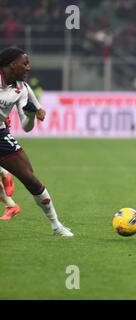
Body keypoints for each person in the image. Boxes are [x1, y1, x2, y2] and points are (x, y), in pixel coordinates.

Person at [0, 47, 73, 236]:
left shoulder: (20, 88)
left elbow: (26, 127)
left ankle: (56, 226)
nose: (28, 67)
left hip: (1, 136)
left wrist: (31, 115)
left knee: (30, 179)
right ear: (12, 65)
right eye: (25, 63)